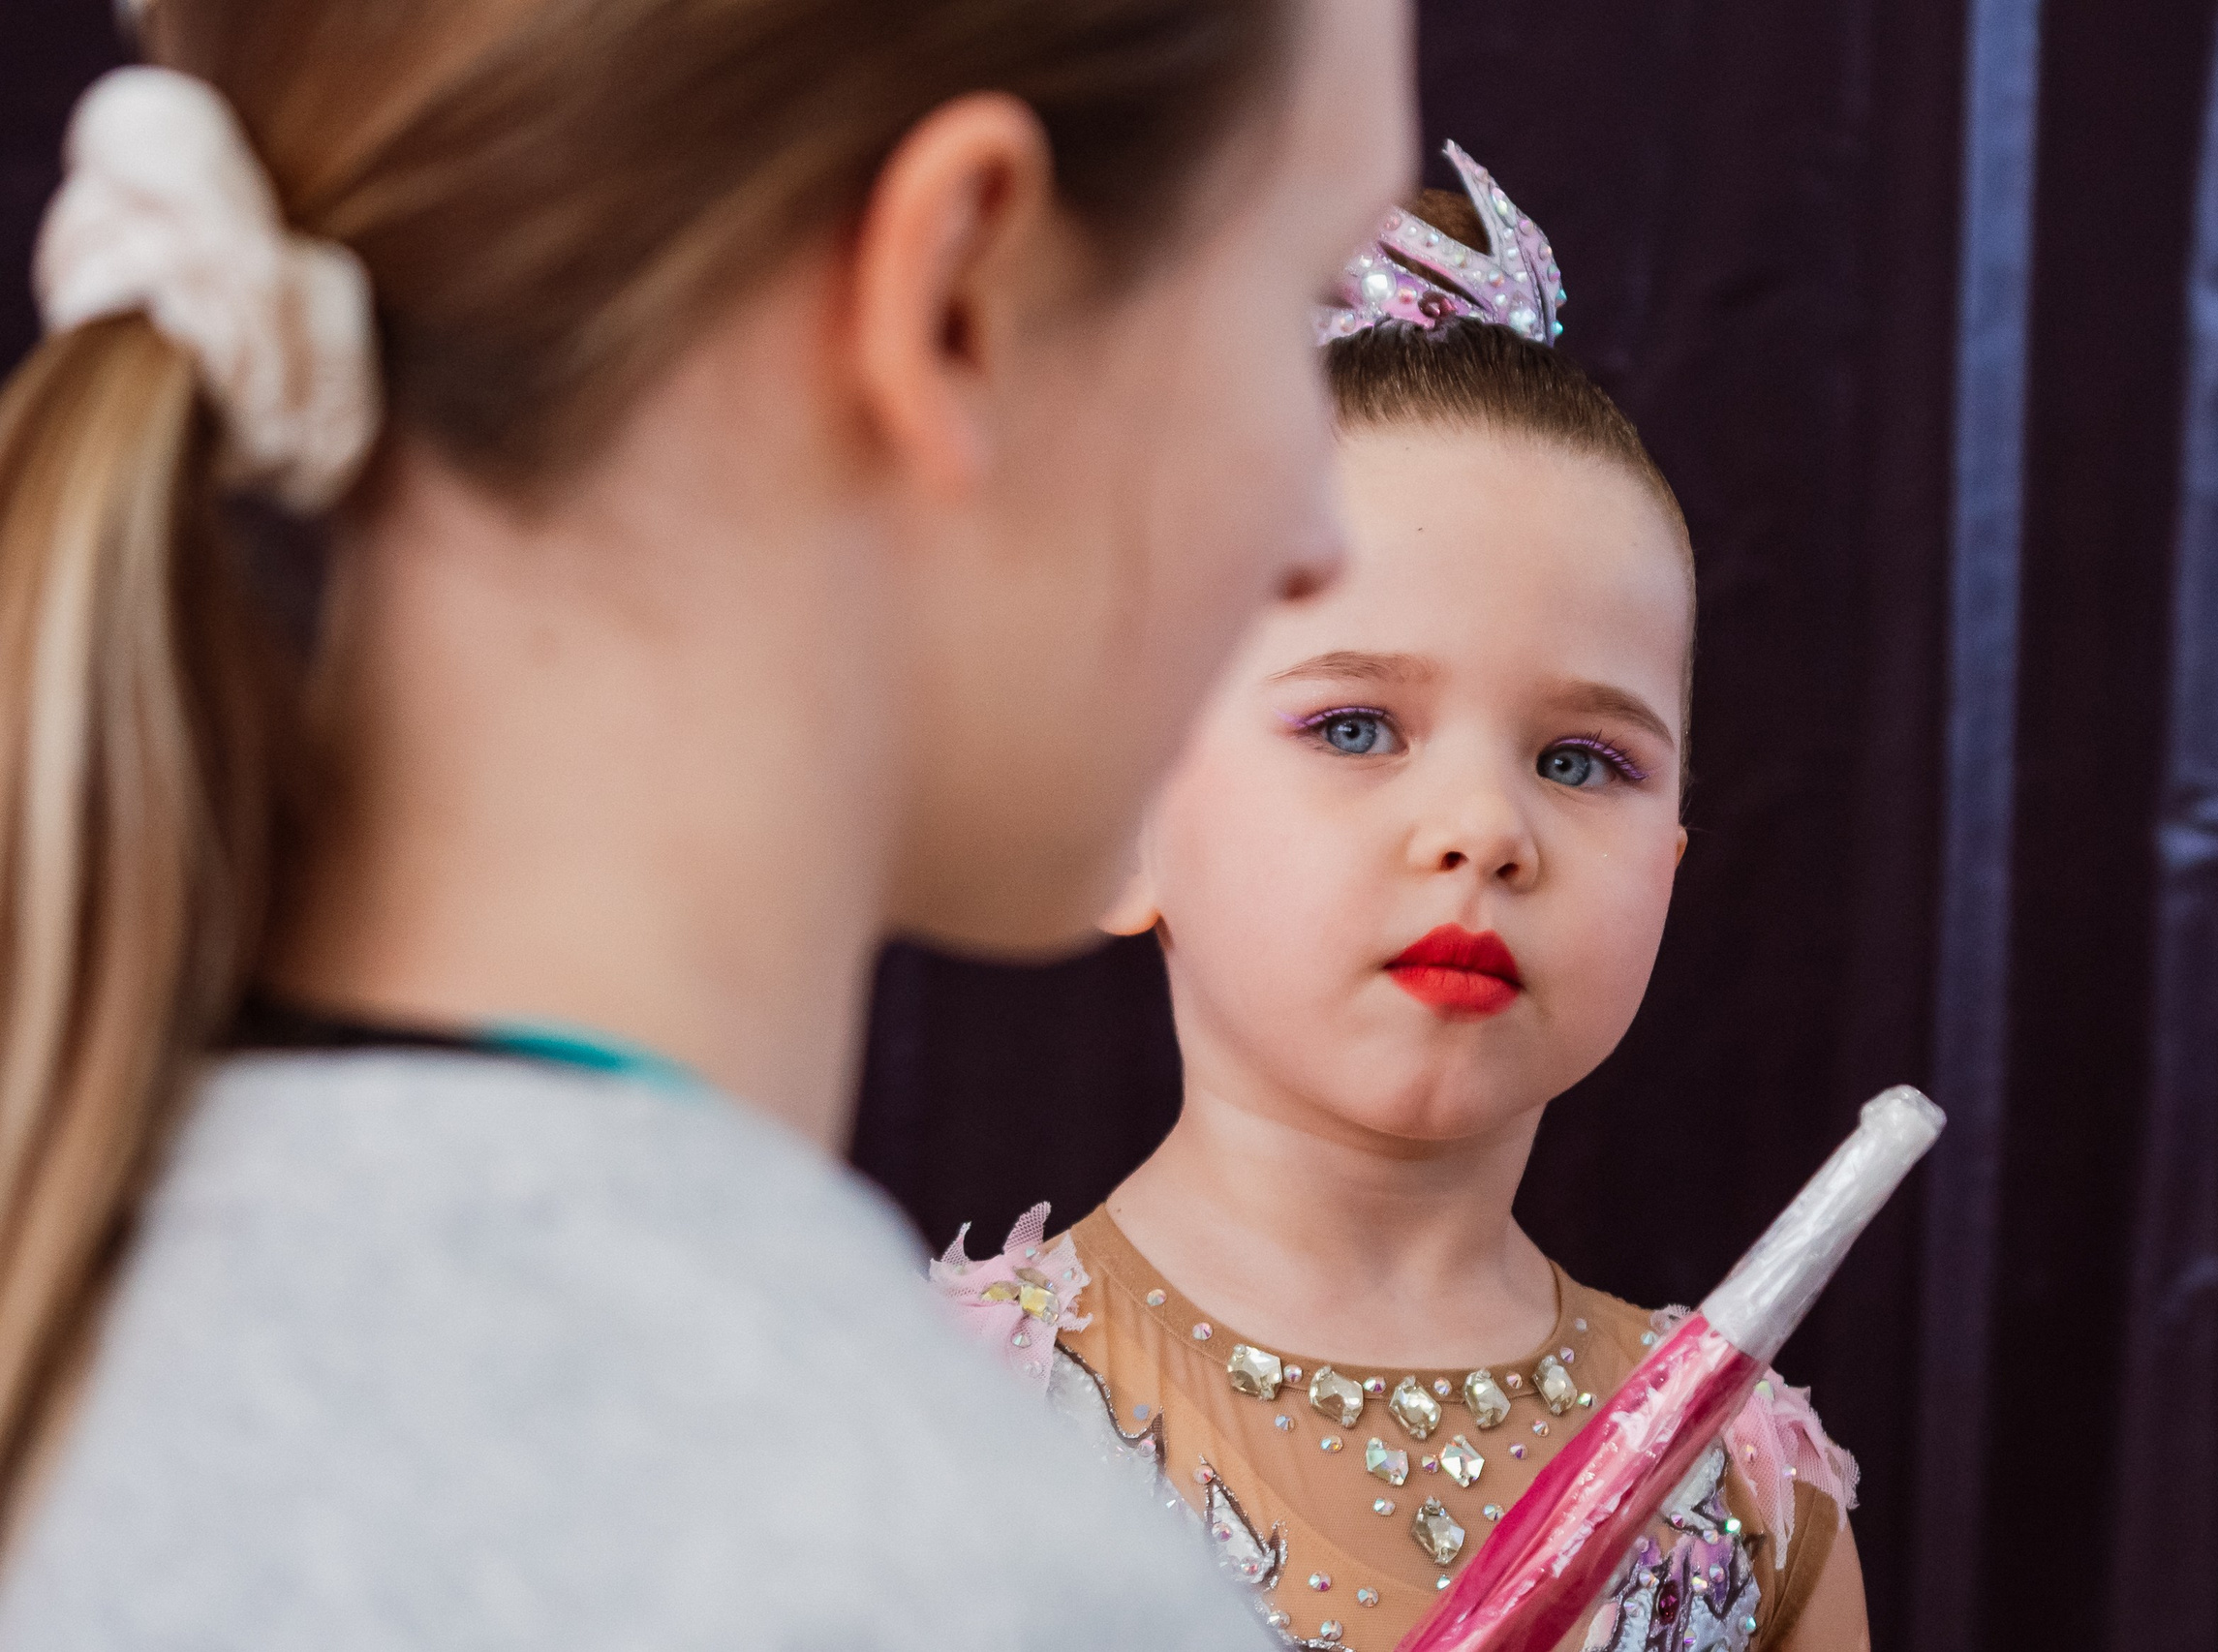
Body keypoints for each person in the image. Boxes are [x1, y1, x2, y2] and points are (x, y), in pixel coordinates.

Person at [0, 0, 1412, 1643]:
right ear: (962, 291)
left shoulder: (75, 1300)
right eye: (1302, 304)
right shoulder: (958, 1581)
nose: (1316, 532)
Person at [937, 147, 1869, 1652]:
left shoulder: (1751, 1502)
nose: (1487, 830)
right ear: (1121, 817)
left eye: (1583, 757)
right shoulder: (931, 1429)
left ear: (1674, 866)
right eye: (1355, 727)